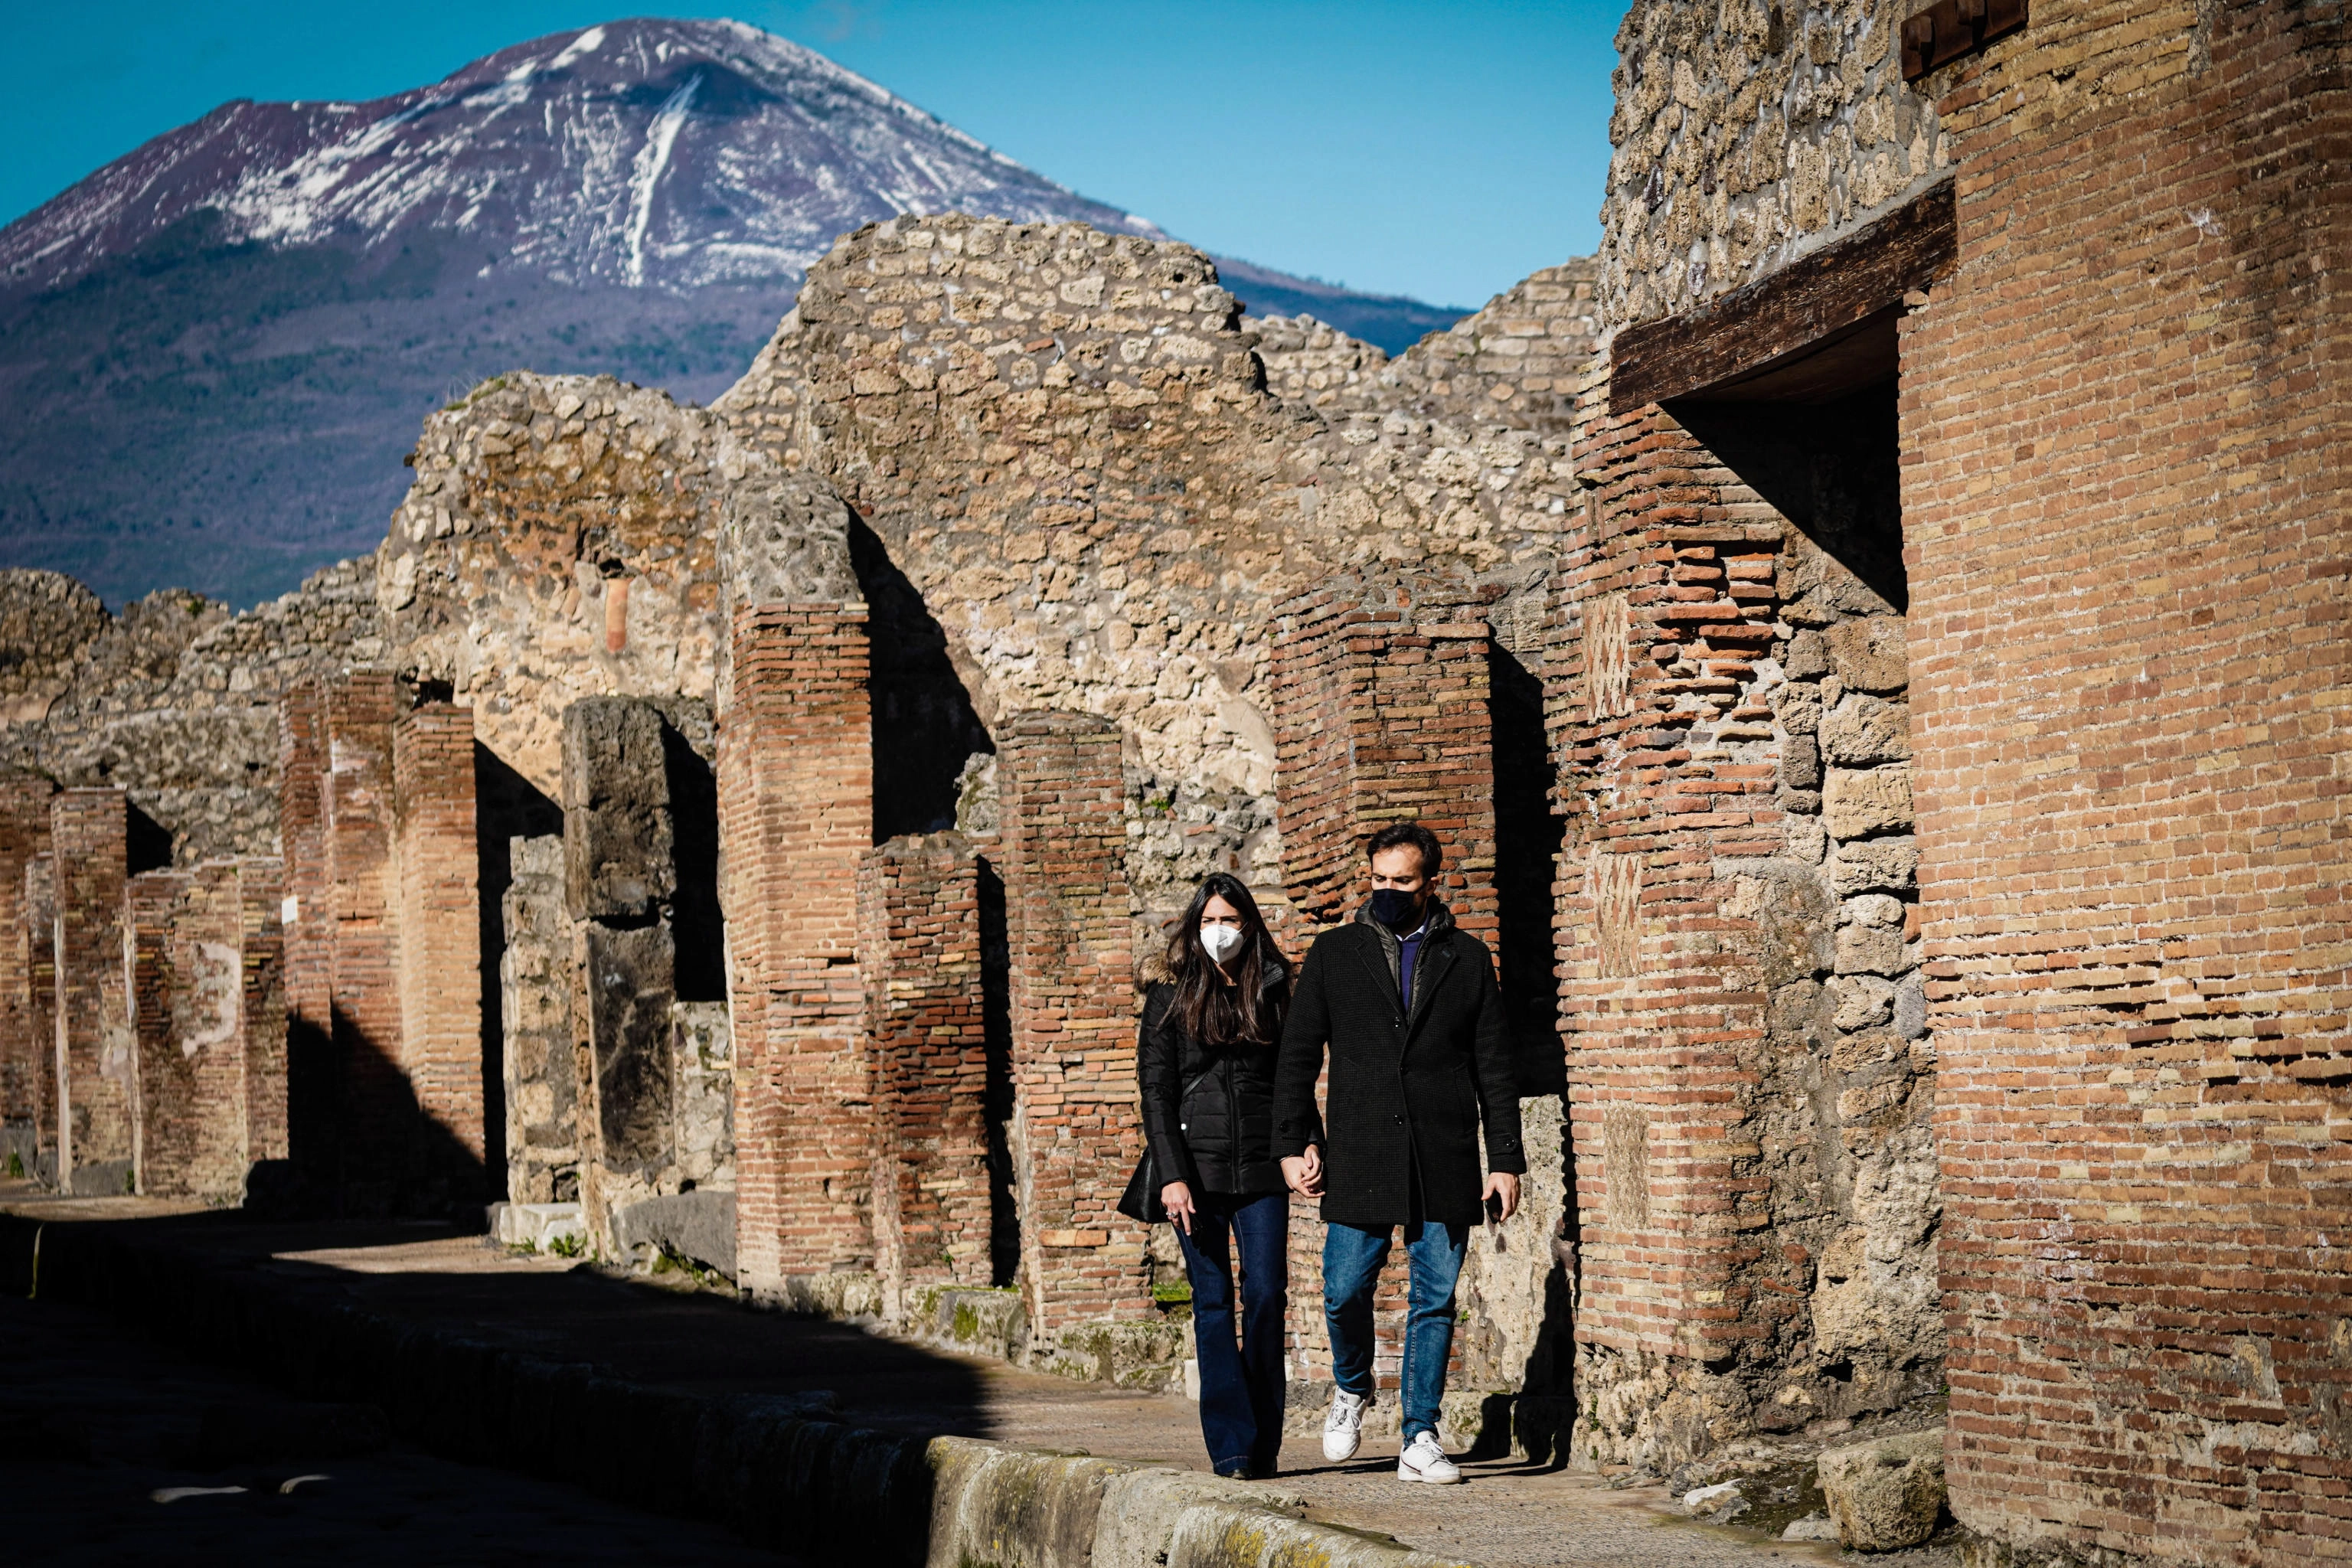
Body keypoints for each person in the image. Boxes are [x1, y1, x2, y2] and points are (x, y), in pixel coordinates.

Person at [1272, 822, 1523, 1485]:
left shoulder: (1468, 959)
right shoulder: (1334, 953)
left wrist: (1504, 1158)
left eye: (1402, 882)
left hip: (1443, 1153)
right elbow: (1297, 1057)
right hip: (1359, 1149)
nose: (1387, 891)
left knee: (1434, 1299)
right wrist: (1295, 1143)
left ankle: (1420, 1435)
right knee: (1342, 1290)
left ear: (1430, 883)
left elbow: (1495, 1065)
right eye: (1379, 880)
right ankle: (1352, 1387)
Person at [1136, 871, 1294, 1478]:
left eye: (1230, 920)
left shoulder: (1276, 989)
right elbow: (1156, 1092)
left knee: (1265, 1297)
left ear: (1248, 925)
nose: (1220, 932)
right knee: (1211, 1302)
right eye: (1209, 922)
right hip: (1194, 1175)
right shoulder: (1170, 998)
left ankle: (1264, 1442)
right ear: (1193, 927)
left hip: (1260, 1170)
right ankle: (1231, 1447)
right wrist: (1172, 1176)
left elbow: (1292, 1081)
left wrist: (1305, 1145)